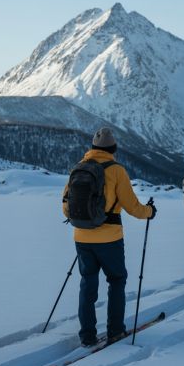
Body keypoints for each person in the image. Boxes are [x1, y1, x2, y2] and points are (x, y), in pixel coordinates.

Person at [62, 127, 156, 347]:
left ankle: (87, 336)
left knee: (87, 284)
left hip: (82, 237)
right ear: (113, 149)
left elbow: (66, 206)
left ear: (92, 147)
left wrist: (85, 222)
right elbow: (132, 207)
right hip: (109, 238)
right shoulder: (116, 171)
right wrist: (149, 212)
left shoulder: (78, 168)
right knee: (116, 281)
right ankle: (115, 331)